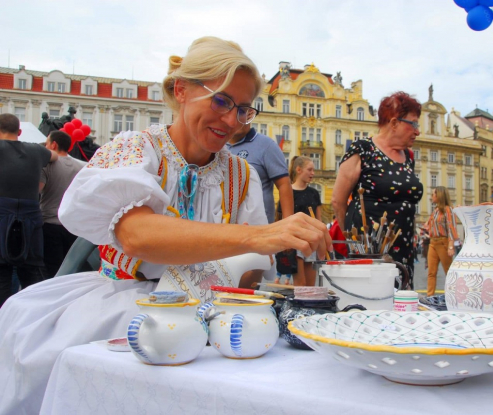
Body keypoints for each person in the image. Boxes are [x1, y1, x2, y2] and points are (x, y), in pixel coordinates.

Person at [0, 37, 331, 415]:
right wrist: (259, 236)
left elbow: (248, 275)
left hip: (209, 314)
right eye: (221, 101)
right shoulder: (136, 148)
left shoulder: (242, 175)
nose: (230, 121)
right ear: (181, 90)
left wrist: (246, 284)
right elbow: (137, 236)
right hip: (122, 305)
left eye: (242, 110)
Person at [331, 91, 423, 287]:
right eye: (413, 124)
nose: (417, 131)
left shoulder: (408, 156)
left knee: (401, 302)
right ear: (394, 122)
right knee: (372, 300)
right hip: (370, 249)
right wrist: (355, 240)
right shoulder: (363, 149)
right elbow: (338, 201)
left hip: (404, 247)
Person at [0, 113, 57, 307]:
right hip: (30, 216)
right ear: (20, 131)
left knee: (1, 275)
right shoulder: (35, 151)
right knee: (33, 271)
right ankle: (36, 315)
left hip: (1, 214)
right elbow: (54, 155)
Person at [39, 131, 87, 278]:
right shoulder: (80, 167)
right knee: (70, 269)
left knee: (52, 269)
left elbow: (38, 190)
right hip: (71, 225)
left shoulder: (47, 165)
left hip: (49, 223)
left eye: (47, 143)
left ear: (54, 145)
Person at [226, 123, 294, 224]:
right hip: (224, 226)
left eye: (242, 112)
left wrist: (289, 223)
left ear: (249, 114)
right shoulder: (218, 145)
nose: (235, 119)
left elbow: (284, 184)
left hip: (258, 227)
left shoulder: (266, 145)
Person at [278, 156, 322, 286]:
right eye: (310, 170)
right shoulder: (288, 191)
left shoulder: (314, 192)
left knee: (311, 284)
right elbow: (281, 218)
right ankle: (299, 305)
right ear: (298, 170)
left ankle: (309, 306)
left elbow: (319, 219)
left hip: (312, 240)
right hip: (296, 240)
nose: (313, 173)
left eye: (313, 170)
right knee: (300, 284)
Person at [425, 186, 459, 297]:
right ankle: (429, 296)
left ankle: (453, 295)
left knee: (448, 271)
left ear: (439, 195)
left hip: (443, 242)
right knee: (431, 272)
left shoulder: (448, 210)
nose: (432, 196)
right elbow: (430, 225)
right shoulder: (435, 211)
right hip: (433, 243)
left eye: (433, 194)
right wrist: (426, 228)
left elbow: (451, 227)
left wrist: (451, 246)